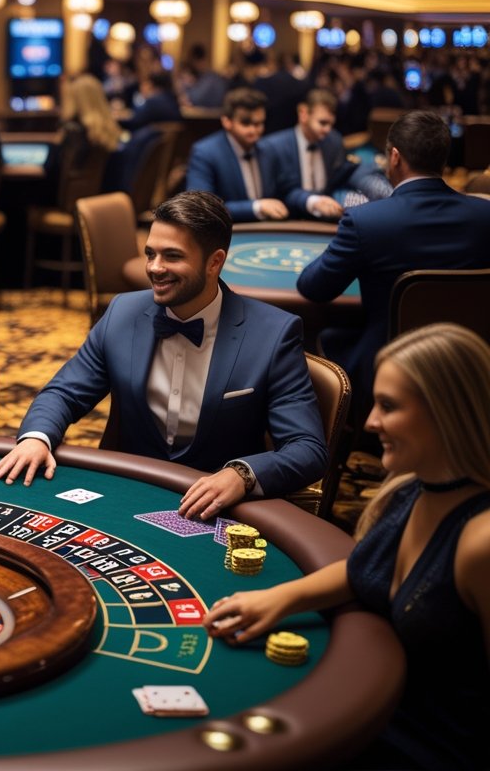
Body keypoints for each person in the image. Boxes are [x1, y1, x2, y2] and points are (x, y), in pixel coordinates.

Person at [203, 323, 490, 770]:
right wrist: (280, 598)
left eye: (389, 406)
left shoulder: (481, 542)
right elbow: (366, 568)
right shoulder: (411, 490)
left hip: (430, 746)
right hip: (377, 716)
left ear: (446, 412)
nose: (371, 423)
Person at [0, 191, 326, 521]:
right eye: (150, 253)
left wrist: (241, 475)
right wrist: (37, 438)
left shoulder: (273, 334)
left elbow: (306, 448)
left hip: (216, 510)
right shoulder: (122, 313)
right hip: (124, 495)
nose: (154, 267)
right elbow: (64, 392)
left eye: (172, 256)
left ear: (215, 262)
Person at [296, 109, 490, 417]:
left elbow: (312, 287)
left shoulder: (366, 221)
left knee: (315, 338)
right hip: (467, 367)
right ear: (443, 158)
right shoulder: (484, 216)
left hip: (388, 367)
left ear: (395, 157)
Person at [184, 88, 289, 223]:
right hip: (228, 230)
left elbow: (287, 190)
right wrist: (256, 207)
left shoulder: (268, 149)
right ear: (227, 121)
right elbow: (200, 206)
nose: (253, 130)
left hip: (269, 229)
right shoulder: (205, 152)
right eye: (246, 123)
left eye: (258, 124)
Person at [260, 88, 359, 220]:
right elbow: (281, 192)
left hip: (328, 218)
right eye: (323, 123)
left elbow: (337, 181)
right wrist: (313, 202)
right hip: (290, 219)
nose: (328, 130)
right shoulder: (274, 146)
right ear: (303, 114)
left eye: (331, 124)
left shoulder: (334, 141)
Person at [42, 74, 122, 201]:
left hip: (63, 201)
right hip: (99, 201)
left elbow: (49, 169)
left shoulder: (70, 131)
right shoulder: (109, 133)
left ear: (73, 100)